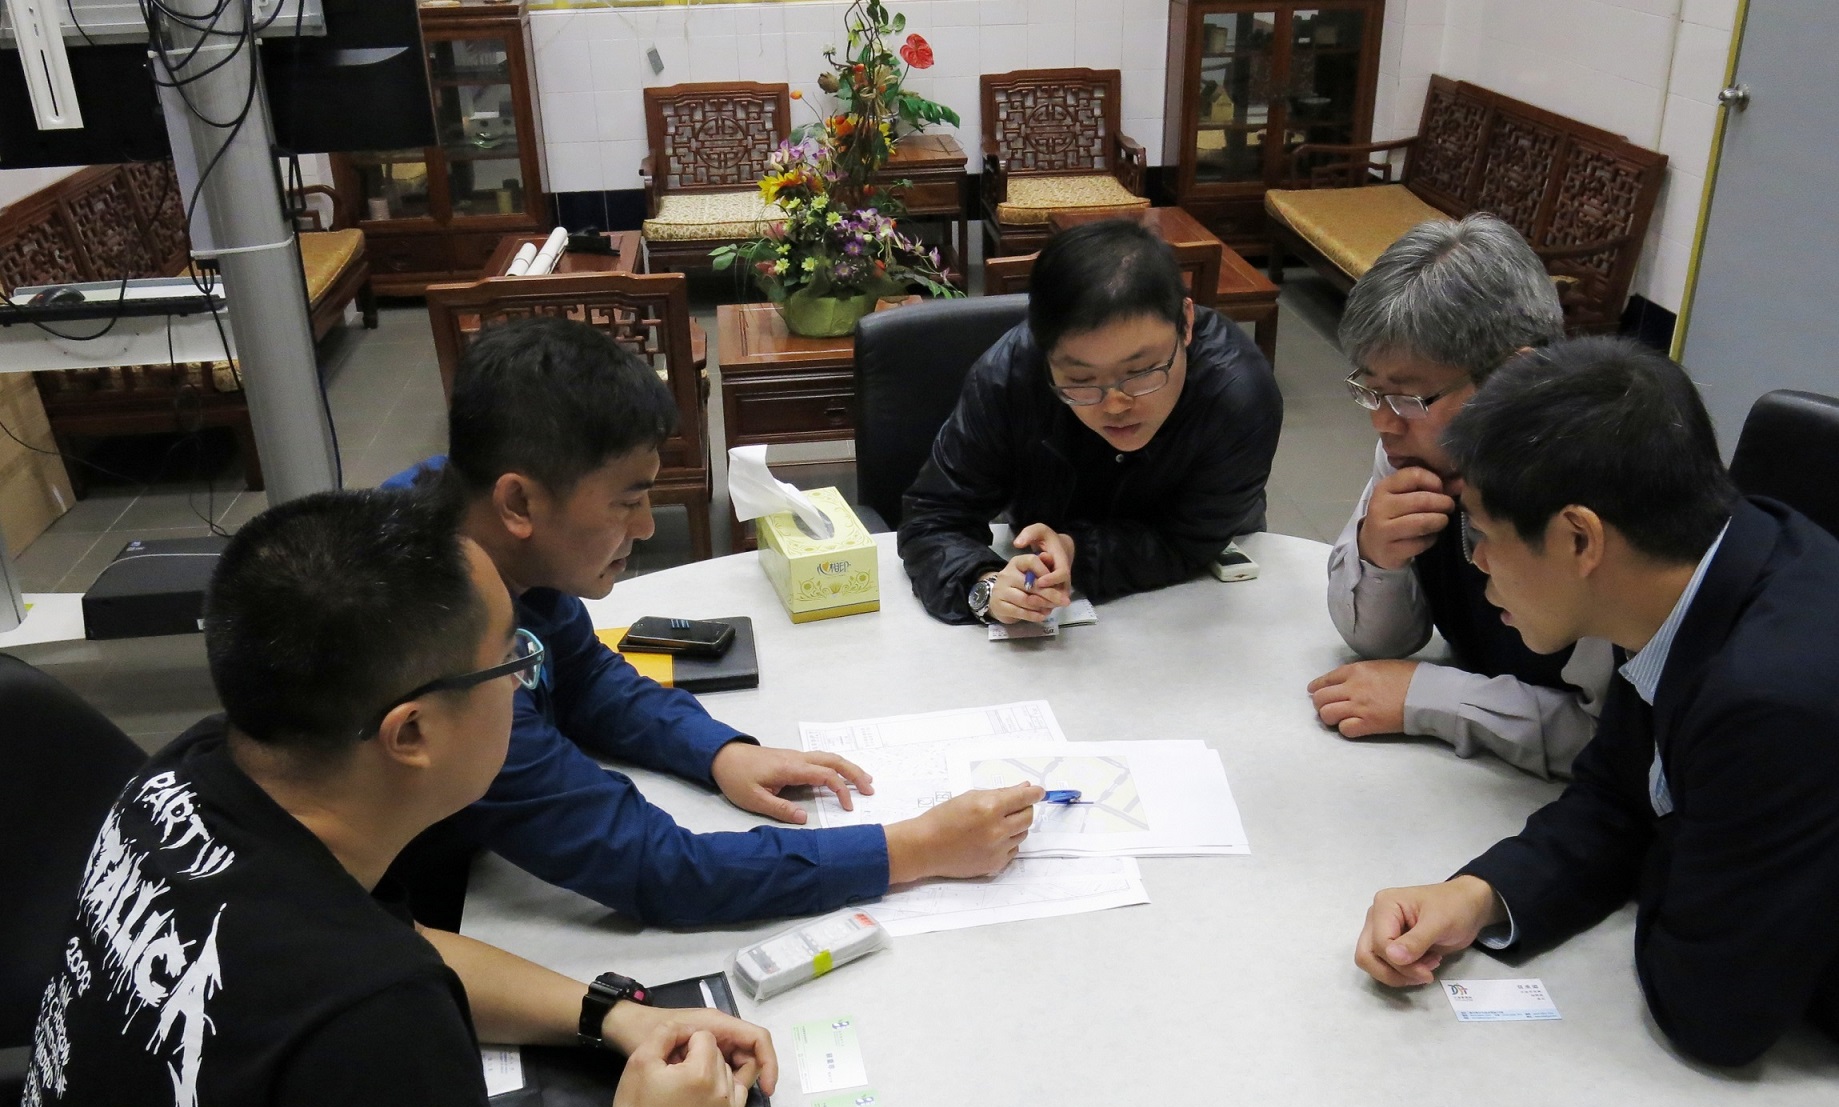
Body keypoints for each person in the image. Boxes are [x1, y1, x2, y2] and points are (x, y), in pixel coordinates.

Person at [18, 489, 778, 1107]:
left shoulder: (190, 775)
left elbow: (394, 941)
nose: (522, 685)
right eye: (513, 660)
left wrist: (613, 1013)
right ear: (411, 732)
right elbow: (368, 982)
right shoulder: (375, 1028)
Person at [384, 317, 1041, 929]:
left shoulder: (473, 512)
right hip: (418, 909)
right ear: (518, 501)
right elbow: (653, 868)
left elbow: (582, 675)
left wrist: (717, 751)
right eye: (626, 502)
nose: (646, 529)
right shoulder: (436, 646)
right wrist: (911, 848)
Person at [1354, 338, 1839, 1067]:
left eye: (1484, 534)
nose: (1475, 561)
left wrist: (1666, 837)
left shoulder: (1768, 703)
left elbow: (1710, 1012)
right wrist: (1482, 895)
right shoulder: (1690, 569)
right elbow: (1618, 797)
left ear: (1579, 538)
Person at [1309, 214, 1614, 779]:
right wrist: (1378, 559)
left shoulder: (1593, 506)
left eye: (1408, 398)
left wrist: (1435, 698)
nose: (1383, 423)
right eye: (1370, 391)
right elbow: (1379, 644)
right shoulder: (1421, 451)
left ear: (1515, 377)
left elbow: (1617, 741)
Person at [898, 218, 1283, 625]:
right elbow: (933, 517)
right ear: (1044, 351)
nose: (1115, 405)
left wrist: (1075, 549)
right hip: (1054, 599)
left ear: (1185, 323)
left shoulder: (1238, 397)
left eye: (1142, 372)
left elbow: (1187, 541)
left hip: (1200, 593)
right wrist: (987, 585)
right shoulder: (1008, 376)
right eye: (1081, 381)